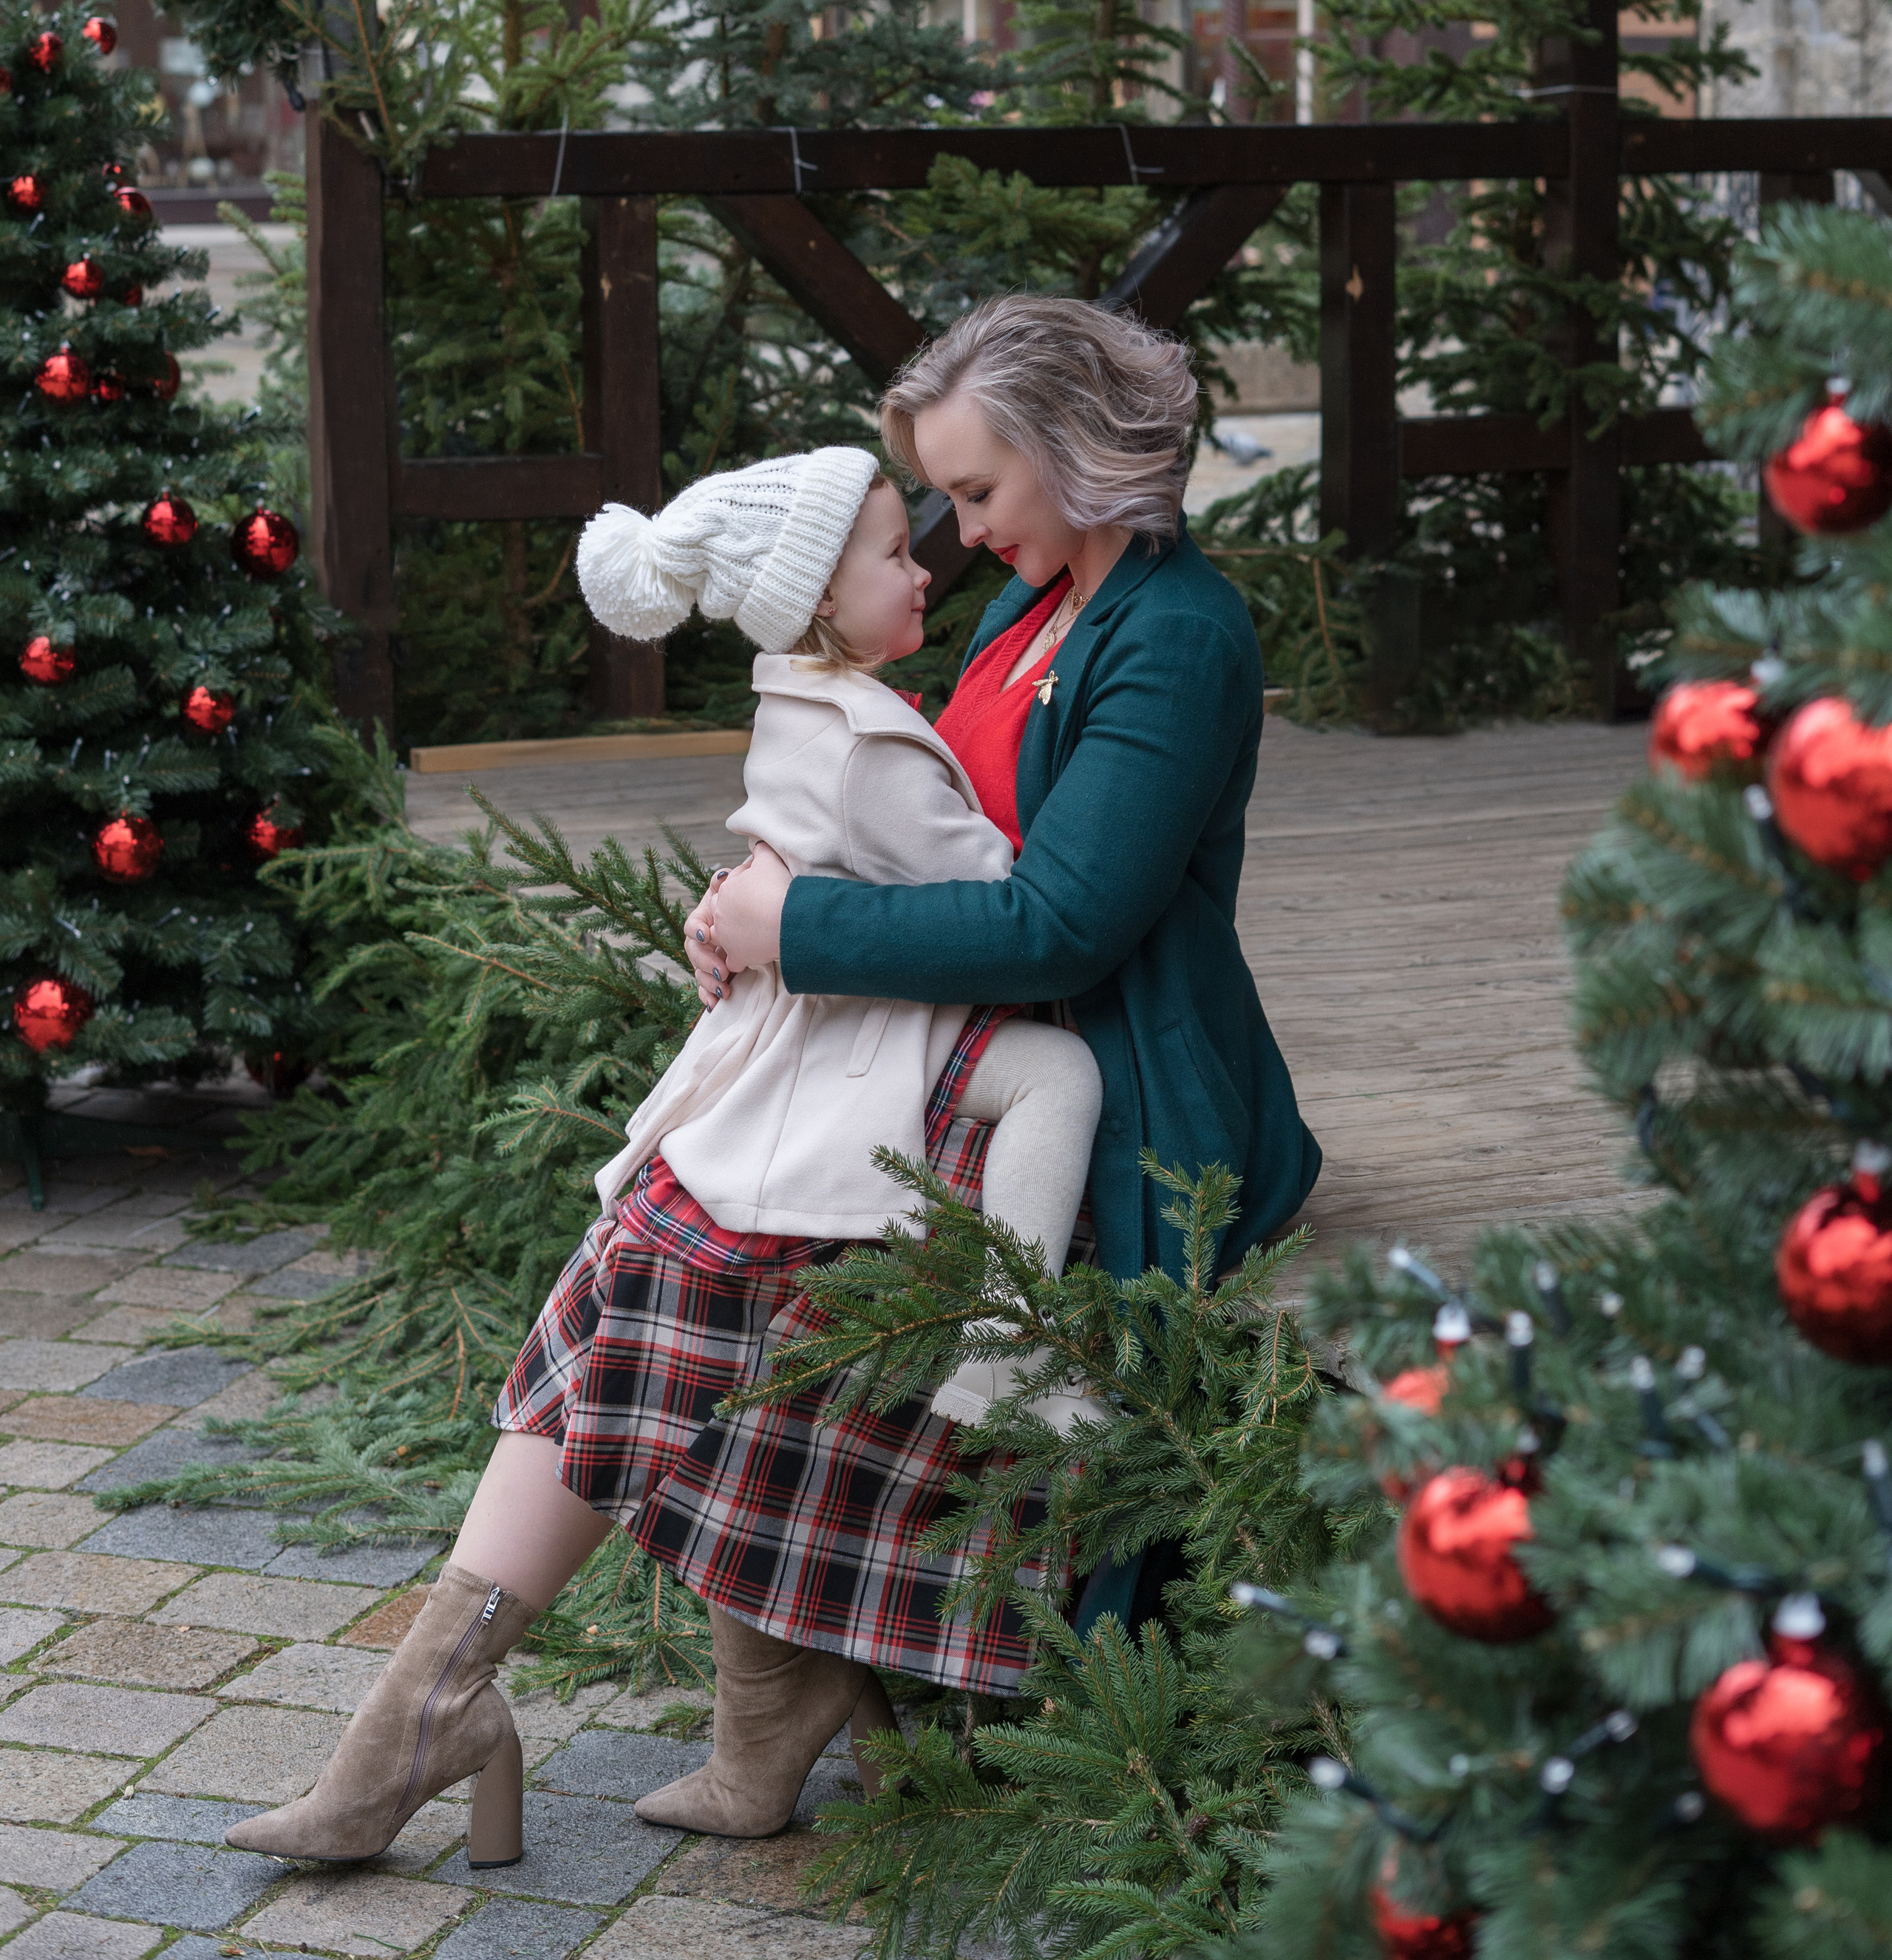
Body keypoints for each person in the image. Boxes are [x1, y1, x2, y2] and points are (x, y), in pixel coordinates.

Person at [225, 443, 1103, 1872]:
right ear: (819, 598)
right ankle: (450, 1717)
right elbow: (969, 876)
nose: (935, 556)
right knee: (652, 1309)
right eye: (899, 547)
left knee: (686, 1317)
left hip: (873, 1067)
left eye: (956, 511)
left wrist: (774, 903)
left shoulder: (864, 696)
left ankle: (509, 1722)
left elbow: (958, 894)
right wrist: (760, 906)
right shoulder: (885, 706)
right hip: (845, 1057)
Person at [698, 296, 1323, 1628]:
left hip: (1128, 1084)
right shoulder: (1032, 603)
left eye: (978, 491)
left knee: (698, 1276)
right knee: (687, 1254)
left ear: (1075, 441)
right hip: (992, 1053)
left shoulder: (1177, 637)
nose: (964, 535)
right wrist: (749, 896)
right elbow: (913, 823)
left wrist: (796, 932)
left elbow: (1062, 922)